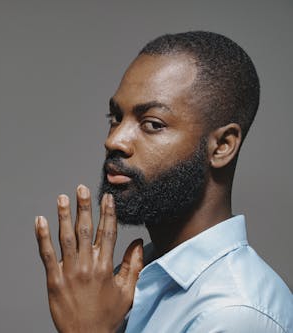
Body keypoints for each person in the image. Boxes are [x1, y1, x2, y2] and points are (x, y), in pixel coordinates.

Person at [34, 31, 292, 333]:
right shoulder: (135, 282)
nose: (114, 140)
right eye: (115, 117)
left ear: (222, 145)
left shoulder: (234, 315)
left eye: (152, 124)